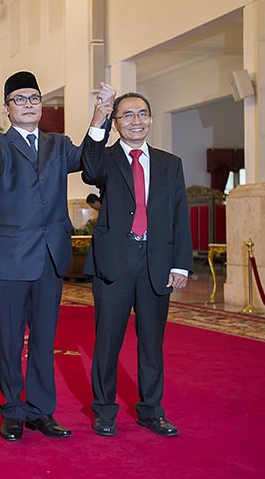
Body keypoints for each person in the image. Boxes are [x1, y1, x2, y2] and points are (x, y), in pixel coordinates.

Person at [0, 72, 110, 441]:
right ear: (7, 108)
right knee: (9, 338)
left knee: (44, 339)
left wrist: (99, 120)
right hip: (10, 258)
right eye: (19, 99)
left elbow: (89, 162)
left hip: (51, 255)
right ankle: (13, 410)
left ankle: (40, 410)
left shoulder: (58, 143)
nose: (29, 104)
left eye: (33, 98)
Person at [81, 91, 193, 438]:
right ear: (116, 123)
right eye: (127, 115)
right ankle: (104, 410)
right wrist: (98, 119)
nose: (136, 121)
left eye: (142, 114)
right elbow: (88, 169)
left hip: (156, 262)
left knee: (151, 342)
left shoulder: (169, 163)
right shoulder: (106, 159)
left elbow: (180, 216)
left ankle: (151, 410)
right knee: (108, 341)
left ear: (151, 119)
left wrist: (181, 265)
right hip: (116, 260)